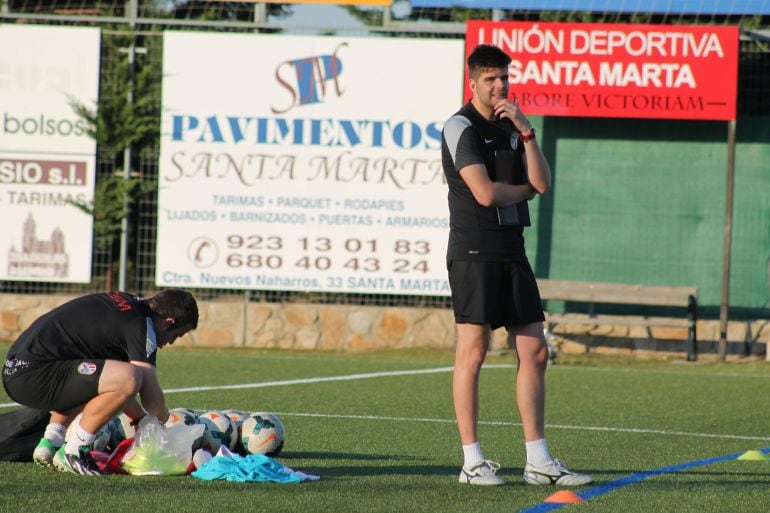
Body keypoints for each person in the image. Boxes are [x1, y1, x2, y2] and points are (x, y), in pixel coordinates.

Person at [441, 44, 592, 487]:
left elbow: (542, 183)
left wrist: (527, 132)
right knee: (474, 352)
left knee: (536, 351)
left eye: (504, 77)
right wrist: (523, 191)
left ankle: (538, 462)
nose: (500, 85)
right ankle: (472, 462)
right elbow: (485, 194)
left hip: (512, 249)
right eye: (490, 79)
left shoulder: (513, 126)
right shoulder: (459, 126)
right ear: (473, 83)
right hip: (473, 250)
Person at [2, 288, 198, 475]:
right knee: (131, 376)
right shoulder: (141, 325)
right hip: (34, 375)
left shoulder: (127, 304)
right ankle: (75, 451)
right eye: (177, 335)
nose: (171, 342)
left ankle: (50, 442)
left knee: (108, 376)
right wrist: (163, 420)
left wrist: (141, 419)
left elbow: (113, 388)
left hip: (20, 370)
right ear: (168, 322)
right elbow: (151, 399)